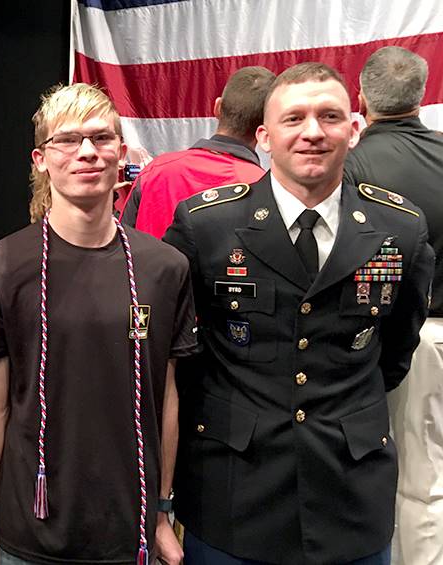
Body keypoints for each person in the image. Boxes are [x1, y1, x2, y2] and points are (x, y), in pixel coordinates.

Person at [163, 62, 434, 564]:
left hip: (349, 493)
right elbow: (183, 356)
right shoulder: (207, 226)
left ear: (354, 130)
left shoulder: (400, 228)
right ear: (264, 136)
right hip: (234, 491)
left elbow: (395, 350)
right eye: (294, 119)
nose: (312, 132)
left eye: (329, 116)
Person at [0, 82, 192, 565]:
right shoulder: (1, 268)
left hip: (128, 533)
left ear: (121, 153)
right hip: (27, 533)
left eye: (100, 138)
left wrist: (161, 513)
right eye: (68, 140)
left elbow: (166, 396)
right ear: (40, 159)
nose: (87, 152)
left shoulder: (165, 268)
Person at [343, 45, 443, 565]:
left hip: (412, 336)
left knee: (417, 482)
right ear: (421, 95)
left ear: (360, 95)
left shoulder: (354, 164)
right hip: (421, 332)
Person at [121, 66, 274, 238]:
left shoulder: (154, 172)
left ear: (217, 107)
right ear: (267, 127)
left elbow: (121, 248)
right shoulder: (266, 189)